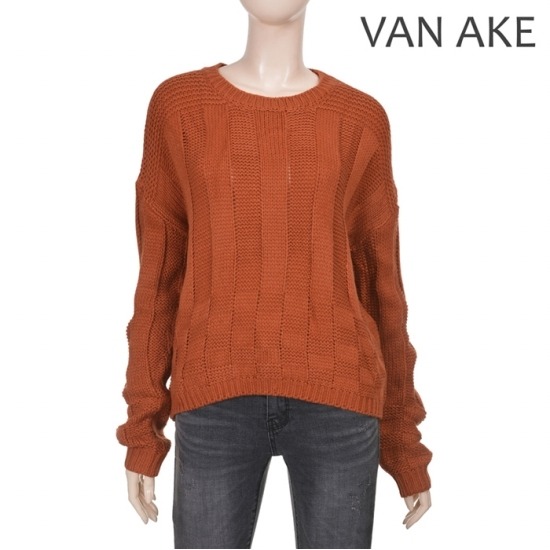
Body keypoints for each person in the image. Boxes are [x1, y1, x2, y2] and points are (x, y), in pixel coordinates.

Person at [116, 0, 433, 547]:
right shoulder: (180, 107)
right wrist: (143, 429)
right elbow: (158, 279)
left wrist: (403, 442)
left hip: (340, 396)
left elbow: (382, 287)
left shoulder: (360, 118)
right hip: (213, 395)